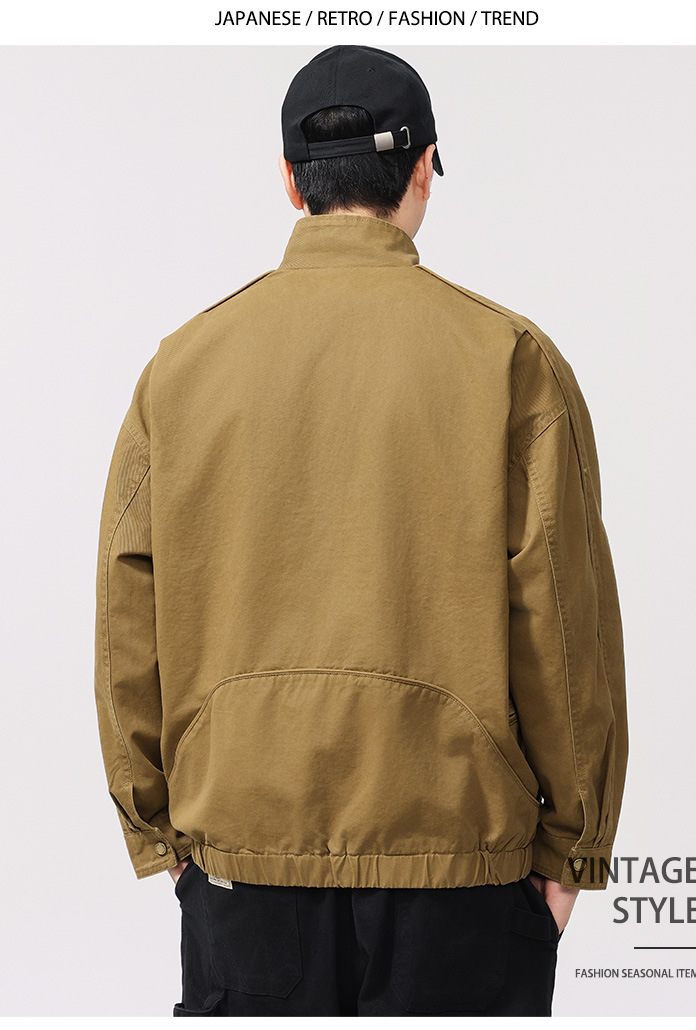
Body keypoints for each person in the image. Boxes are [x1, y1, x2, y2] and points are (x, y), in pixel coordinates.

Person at [94, 44, 628, 1017]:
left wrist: (159, 832)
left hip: (241, 871)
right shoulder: (510, 361)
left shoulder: (182, 368)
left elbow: (129, 614)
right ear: (424, 168)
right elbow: (563, 626)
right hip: (461, 872)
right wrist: (572, 851)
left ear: (290, 179)